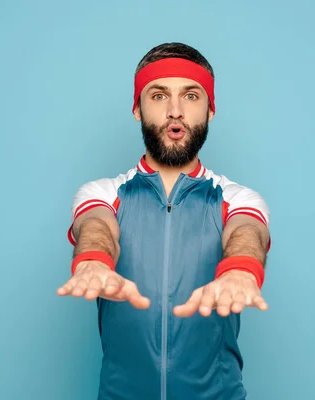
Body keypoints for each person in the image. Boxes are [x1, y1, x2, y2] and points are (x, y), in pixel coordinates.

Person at [56, 42, 272, 400]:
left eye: (191, 95)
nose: (175, 111)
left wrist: (240, 270)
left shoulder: (238, 198)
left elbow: (247, 230)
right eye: (158, 96)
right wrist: (93, 260)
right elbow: (96, 224)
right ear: (138, 110)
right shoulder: (104, 191)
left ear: (210, 110)